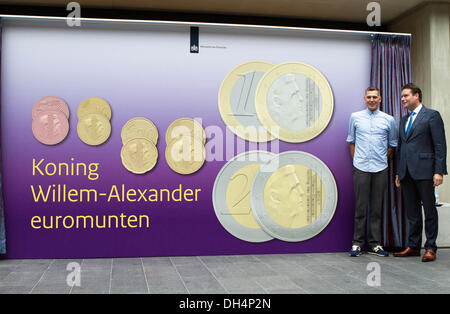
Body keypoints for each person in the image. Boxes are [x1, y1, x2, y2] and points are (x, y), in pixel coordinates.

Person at [394, 83, 447, 262]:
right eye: (402, 96)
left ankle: (430, 247)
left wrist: (439, 171)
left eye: (406, 95)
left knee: (430, 211)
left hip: (425, 171)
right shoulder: (403, 120)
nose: (403, 99)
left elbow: (440, 145)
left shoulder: (432, 116)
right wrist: (398, 173)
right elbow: (401, 148)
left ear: (417, 96)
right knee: (412, 213)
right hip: (406, 174)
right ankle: (413, 246)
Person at [346, 87, 398, 257]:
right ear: (364, 99)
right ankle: (357, 244)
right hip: (361, 167)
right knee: (360, 208)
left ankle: (375, 244)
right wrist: (356, 162)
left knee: (376, 208)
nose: (372, 100)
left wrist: (382, 158)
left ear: (380, 99)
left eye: (375, 97)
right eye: (369, 97)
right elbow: (351, 141)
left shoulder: (389, 120)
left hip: (380, 168)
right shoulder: (355, 117)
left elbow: (392, 145)